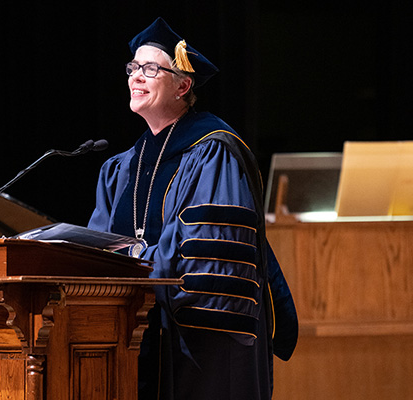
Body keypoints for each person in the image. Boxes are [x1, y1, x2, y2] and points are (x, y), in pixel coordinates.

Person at [88, 17, 298, 400]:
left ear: (184, 85)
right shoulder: (120, 167)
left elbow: (208, 252)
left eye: (150, 68)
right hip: (129, 335)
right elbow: (97, 246)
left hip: (193, 343)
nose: (136, 76)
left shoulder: (214, 151)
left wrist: (134, 257)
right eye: (133, 68)